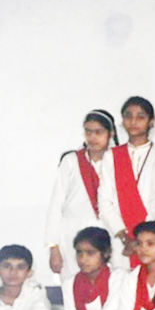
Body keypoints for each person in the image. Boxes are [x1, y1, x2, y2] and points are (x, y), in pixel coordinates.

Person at [100, 97, 155, 270]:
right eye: (128, 116)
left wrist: (147, 239)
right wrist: (124, 236)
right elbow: (104, 201)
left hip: (154, 241)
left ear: (151, 121)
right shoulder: (111, 156)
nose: (133, 121)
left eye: (140, 116)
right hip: (121, 240)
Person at [49, 110, 117, 279]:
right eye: (88, 131)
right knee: (74, 284)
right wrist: (53, 246)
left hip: (111, 234)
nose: (93, 137)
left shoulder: (119, 161)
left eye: (99, 132)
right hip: (73, 234)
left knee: (112, 283)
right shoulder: (71, 161)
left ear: (111, 133)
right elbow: (56, 204)